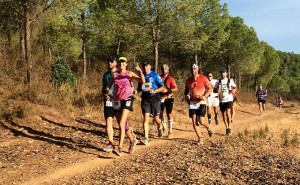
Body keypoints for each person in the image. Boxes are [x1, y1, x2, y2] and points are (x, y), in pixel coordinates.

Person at [106, 57, 145, 156]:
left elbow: (142, 81)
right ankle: (132, 140)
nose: (121, 64)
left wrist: (140, 71)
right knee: (122, 123)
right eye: (120, 62)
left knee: (121, 123)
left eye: (123, 62)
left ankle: (119, 148)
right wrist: (108, 92)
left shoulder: (129, 73)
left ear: (126, 64)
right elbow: (108, 87)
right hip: (116, 100)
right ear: (118, 64)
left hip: (127, 99)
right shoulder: (114, 75)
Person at [185, 64, 213, 145]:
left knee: (201, 120)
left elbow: (210, 88)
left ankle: (208, 127)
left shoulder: (203, 78)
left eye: (195, 69)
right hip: (192, 102)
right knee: (194, 121)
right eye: (192, 69)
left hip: (201, 101)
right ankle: (200, 138)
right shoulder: (188, 80)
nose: (193, 71)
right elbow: (186, 90)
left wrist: (205, 96)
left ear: (197, 70)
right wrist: (187, 95)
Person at [138, 61, 165, 145]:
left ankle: (160, 126)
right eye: (144, 67)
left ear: (150, 66)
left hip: (155, 98)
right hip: (145, 99)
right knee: (145, 118)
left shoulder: (155, 75)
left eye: (147, 66)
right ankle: (146, 138)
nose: (145, 68)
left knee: (156, 118)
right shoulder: (141, 76)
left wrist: (154, 91)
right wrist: (136, 91)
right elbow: (140, 87)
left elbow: (163, 87)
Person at [160, 64, 178, 138]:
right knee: (160, 114)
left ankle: (170, 131)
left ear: (168, 70)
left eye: (166, 69)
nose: (164, 70)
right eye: (163, 69)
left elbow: (176, 88)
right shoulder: (159, 77)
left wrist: (169, 90)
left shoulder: (170, 78)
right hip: (160, 98)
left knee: (169, 114)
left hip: (169, 98)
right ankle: (164, 127)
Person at [217, 68, 237, 135]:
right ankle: (227, 127)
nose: (223, 74)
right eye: (222, 72)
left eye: (224, 72)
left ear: (226, 73)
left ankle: (230, 128)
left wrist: (234, 90)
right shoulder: (219, 81)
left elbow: (235, 87)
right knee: (223, 115)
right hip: (222, 100)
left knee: (228, 113)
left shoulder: (229, 80)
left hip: (229, 99)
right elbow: (215, 90)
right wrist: (217, 91)